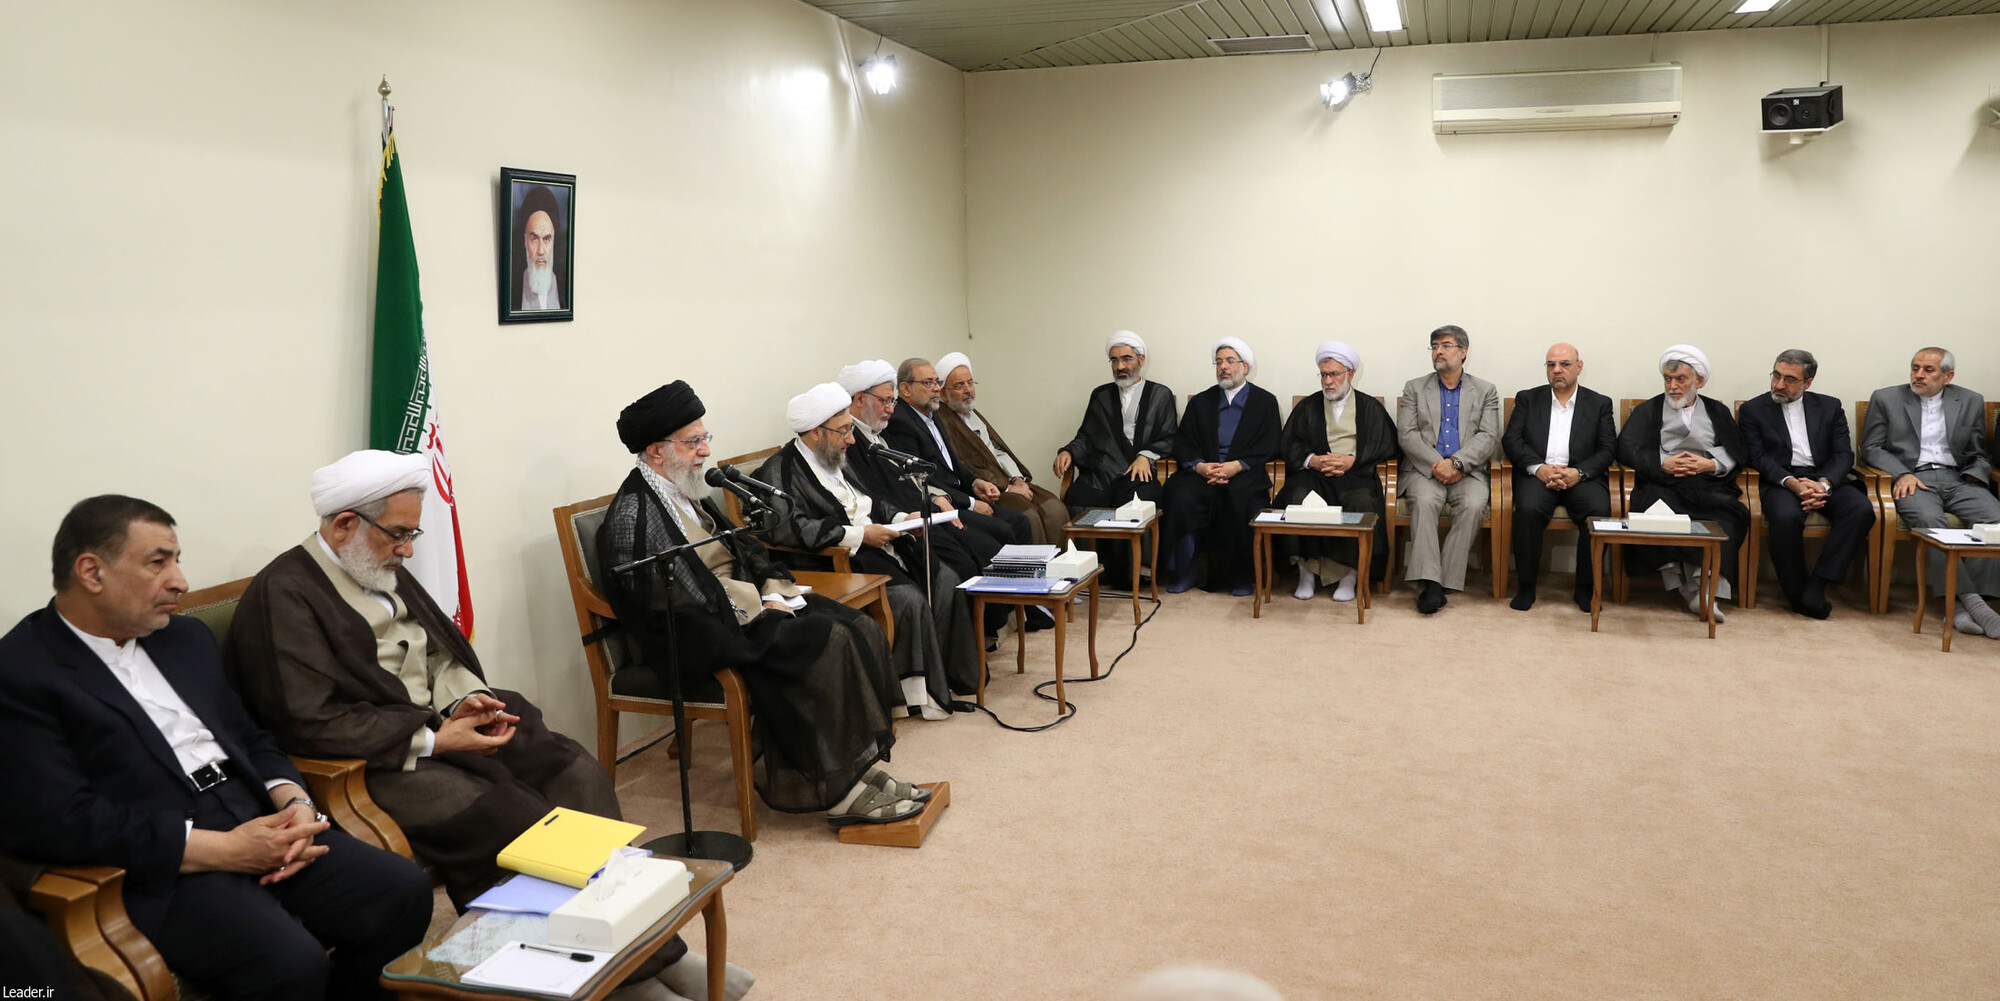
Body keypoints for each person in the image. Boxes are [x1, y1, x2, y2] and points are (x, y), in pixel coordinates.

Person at [0, 495, 432, 1001]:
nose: (180, 581)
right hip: (166, 862)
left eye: (177, 560)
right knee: (291, 964)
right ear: (92, 572)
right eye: (159, 562)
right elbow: (62, 819)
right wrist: (223, 849)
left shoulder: (184, 638)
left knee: (402, 892)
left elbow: (249, 736)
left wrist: (294, 802)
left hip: (258, 816)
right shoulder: (22, 672)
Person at [226, 450, 627, 913]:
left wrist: (465, 700)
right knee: (513, 818)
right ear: (344, 525)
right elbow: (308, 720)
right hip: (377, 761)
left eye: (411, 535)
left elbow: (437, 651)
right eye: (397, 534)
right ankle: (578, 943)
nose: (408, 550)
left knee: (574, 771)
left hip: (433, 721)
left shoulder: (375, 564)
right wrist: (436, 741)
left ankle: (629, 916)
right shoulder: (285, 594)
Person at [600, 381, 929, 832]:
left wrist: (775, 592)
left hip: (740, 607)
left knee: (856, 624)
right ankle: (840, 793)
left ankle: (857, 768)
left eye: (704, 438)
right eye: (693, 442)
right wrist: (756, 609)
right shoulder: (632, 514)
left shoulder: (684, 488)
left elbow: (743, 547)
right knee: (826, 640)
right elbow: (661, 601)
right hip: (700, 633)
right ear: (657, 451)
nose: (705, 451)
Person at [755, 382, 983, 715]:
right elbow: (788, 528)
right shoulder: (779, 471)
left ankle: (949, 676)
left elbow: (869, 501)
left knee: (946, 579)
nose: (851, 439)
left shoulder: (834, 457)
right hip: (838, 559)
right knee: (909, 600)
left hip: (879, 543)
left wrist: (903, 518)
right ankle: (909, 696)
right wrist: (859, 535)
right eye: (844, 431)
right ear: (816, 433)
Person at [1861, 346, 2000, 637]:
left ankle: (1971, 603)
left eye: (1928, 370)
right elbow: (1871, 448)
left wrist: (1975, 476)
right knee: (1931, 524)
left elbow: (1978, 452)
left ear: (1947, 377)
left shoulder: (1970, 400)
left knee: (1995, 521)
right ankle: (1969, 605)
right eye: (1915, 368)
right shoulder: (1886, 398)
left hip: (1959, 478)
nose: (1919, 375)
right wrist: (1902, 473)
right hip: (1913, 478)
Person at [1616, 345, 1752, 622]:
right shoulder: (1648, 410)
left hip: (1708, 487)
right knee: (1656, 511)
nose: (1673, 386)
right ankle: (1691, 590)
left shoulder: (1717, 410)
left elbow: (1739, 451)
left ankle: (1708, 590)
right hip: (1663, 484)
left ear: (1698, 381)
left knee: (1729, 517)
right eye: (1668, 379)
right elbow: (1627, 449)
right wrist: (1662, 462)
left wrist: (1710, 464)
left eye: (1680, 379)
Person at [1738, 349, 1876, 619]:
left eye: (1790, 379)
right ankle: (1795, 591)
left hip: (1823, 477)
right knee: (1786, 517)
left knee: (1860, 510)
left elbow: (1843, 454)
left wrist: (1823, 485)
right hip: (1780, 480)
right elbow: (1757, 457)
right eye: (1776, 375)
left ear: (1808, 382)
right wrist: (1793, 484)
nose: (1779, 384)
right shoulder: (1753, 410)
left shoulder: (1830, 407)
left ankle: (1818, 584)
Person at [1272, 340, 1398, 602]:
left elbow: (1386, 444)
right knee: (1296, 496)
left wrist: (1353, 460)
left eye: (1334, 374)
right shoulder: (1308, 406)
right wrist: (1312, 460)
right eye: (1324, 375)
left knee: (1362, 501)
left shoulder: (1369, 407)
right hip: (1314, 474)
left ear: (1350, 374)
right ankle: (1306, 572)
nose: (1328, 381)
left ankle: (1349, 576)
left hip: (1355, 473)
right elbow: (1289, 444)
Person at [1055, 330, 1179, 587]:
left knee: (1138, 500)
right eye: (1115, 360)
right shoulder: (1101, 395)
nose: (1120, 366)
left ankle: (1134, 573)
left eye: (1126, 359)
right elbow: (1086, 436)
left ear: (1141, 360)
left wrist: (1146, 455)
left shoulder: (1160, 395)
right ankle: (1087, 570)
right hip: (1103, 469)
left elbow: (1170, 436)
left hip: (1139, 473)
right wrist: (1068, 451)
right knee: (1079, 496)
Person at [1161, 337, 1282, 596]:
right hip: (1204, 472)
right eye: (1219, 362)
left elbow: (1271, 442)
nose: (1223, 367)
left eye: (1229, 361)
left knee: (1241, 498)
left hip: (1244, 473)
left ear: (1245, 367)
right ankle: (1186, 571)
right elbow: (1183, 442)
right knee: (1179, 494)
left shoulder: (1264, 402)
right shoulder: (1201, 402)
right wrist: (1200, 467)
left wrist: (1237, 465)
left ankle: (1240, 576)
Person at [1500, 342, 1617, 612]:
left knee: (1599, 511)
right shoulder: (1528, 399)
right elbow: (1512, 440)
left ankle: (1585, 588)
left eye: (1564, 364)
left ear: (1579, 367)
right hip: (1538, 476)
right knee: (1527, 510)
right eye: (1551, 365)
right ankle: (1526, 587)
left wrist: (1579, 472)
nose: (1557, 370)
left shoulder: (1599, 403)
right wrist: (1538, 468)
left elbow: (1608, 448)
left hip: (1581, 477)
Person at [1396, 324, 1501, 614]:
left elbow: (1489, 436)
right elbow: (1407, 434)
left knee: (1473, 503)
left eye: (1446, 345)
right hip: (1424, 469)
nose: (1438, 352)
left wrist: (1456, 464)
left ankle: (1442, 581)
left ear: (1463, 352)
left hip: (1467, 471)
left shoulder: (1485, 390)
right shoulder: (1415, 387)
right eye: (1434, 346)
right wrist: (1437, 464)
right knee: (1424, 501)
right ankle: (1431, 583)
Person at [885, 357, 1035, 548]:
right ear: (906, 389)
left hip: (960, 494)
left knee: (1020, 521)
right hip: (943, 504)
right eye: (928, 383)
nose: (936, 388)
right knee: (1002, 530)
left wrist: (975, 482)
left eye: (937, 382)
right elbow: (925, 479)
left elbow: (952, 464)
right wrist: (971, 503)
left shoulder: (932, 413)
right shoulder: (900, 422)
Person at [934, 351, 1071, 546]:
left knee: (1055, 509)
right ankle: (1041, 565)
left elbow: (998, 451)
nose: (968, 390)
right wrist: (1008, 488)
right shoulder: (943, 421)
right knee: (1030, 516)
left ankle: (1064, 563)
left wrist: (1017, 479)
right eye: (959, 385)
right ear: (943, 394)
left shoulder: (971, 413)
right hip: (989, 490)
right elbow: (965, 467)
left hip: (1007, 480)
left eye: (970, 383)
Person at [513, 185, 564, 311]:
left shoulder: (565, 292)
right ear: (525, 240)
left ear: (554, 241)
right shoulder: (512, 293)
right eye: (534, 239)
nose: (541, 251)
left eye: (547, 239)